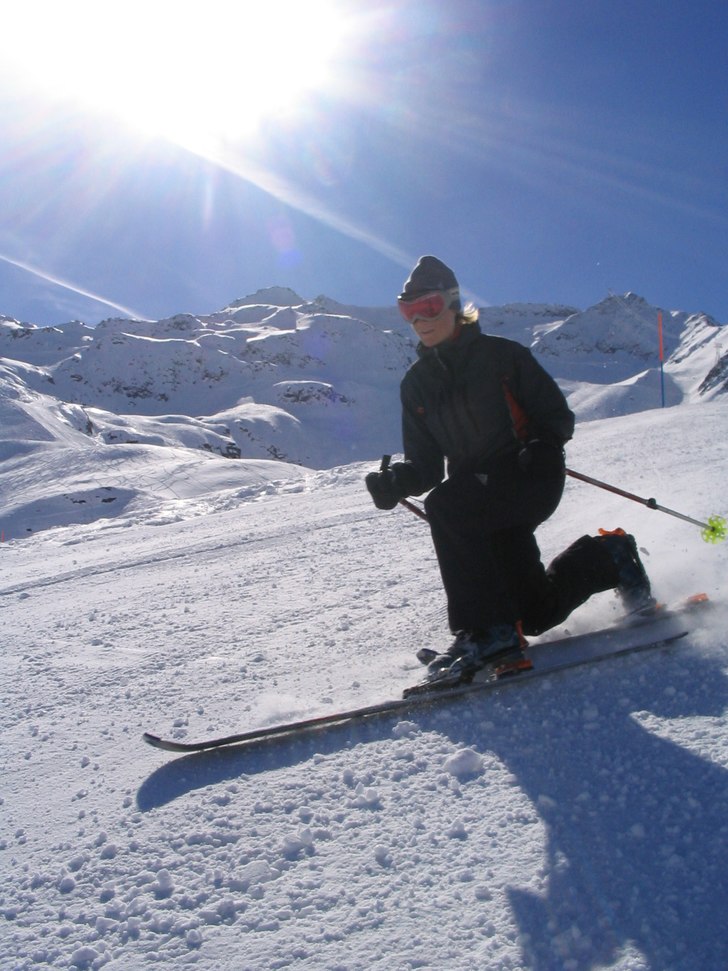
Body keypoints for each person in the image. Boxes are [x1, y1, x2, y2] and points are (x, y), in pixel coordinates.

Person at [365, 255, 655, 685]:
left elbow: (555, 415)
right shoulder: (416, 385)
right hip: (479, 496)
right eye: (409, 311)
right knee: (534, 612)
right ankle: (611, 557)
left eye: (428, 306)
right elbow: (425, 466)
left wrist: (540, 445)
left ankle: (487, 633)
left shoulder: (502, 357)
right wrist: (398, 482)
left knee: (447, 506)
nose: (419, 320)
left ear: (452, 303)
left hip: (528, 475)